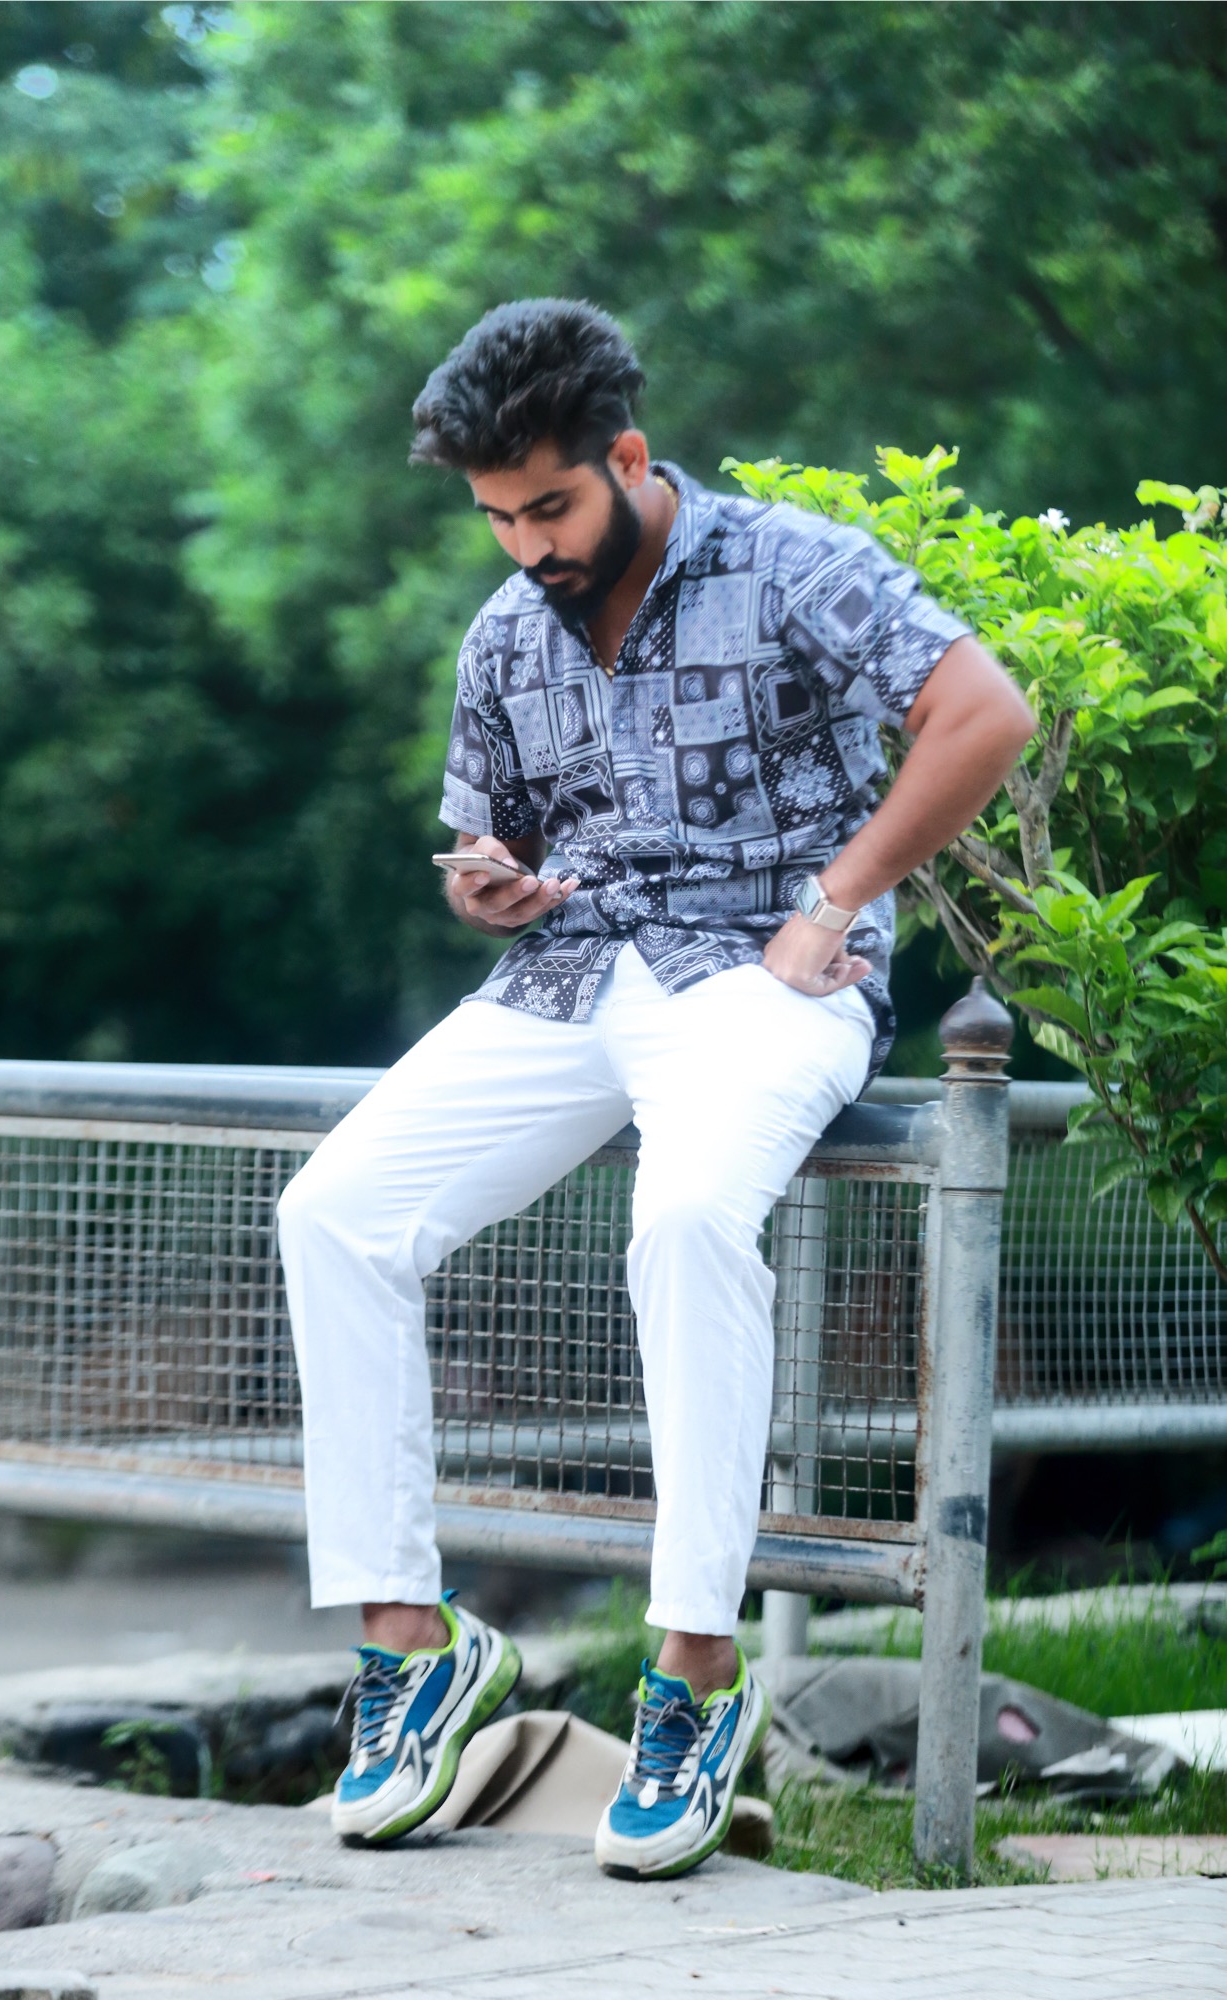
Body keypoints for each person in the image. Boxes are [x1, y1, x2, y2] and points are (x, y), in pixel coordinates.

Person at [277, 298, 1034, 1880]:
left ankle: (692, 1668)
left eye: (548, 507)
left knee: (685, 1219)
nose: (526, 546)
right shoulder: (505, 631)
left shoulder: (792, 563)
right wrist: (489, 887)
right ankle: (413, 1647)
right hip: (567, 978)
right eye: (496, 517)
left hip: (767, 978)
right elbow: (497, 842)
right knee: (333, 1212)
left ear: (625, 457)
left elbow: (985, 715)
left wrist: (834, 900)